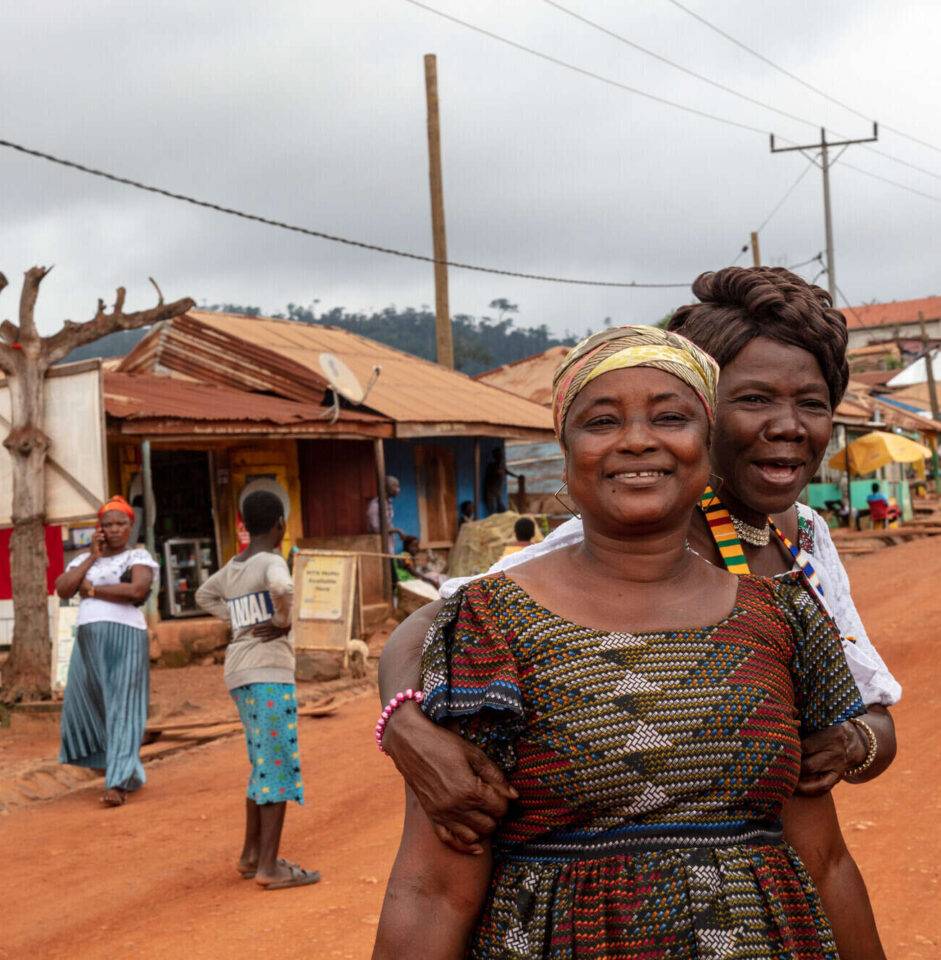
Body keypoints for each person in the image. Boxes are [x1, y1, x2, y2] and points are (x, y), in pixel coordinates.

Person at [378, 267, 898, 958]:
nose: (787, 426)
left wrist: (848, 742)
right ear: (564, 454)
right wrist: (406, 725)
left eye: (811, 402)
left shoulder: (791, 579)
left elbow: (831, 832)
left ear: (697, 430)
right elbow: (429, 630)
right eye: (754, 399)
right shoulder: (507, 610)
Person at [194, 489, 319, 890]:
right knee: (277, 764)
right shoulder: (271, 561)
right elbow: (283, 589)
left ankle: (251, 855)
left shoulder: (234, 566)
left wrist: (239, 619)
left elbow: (203, 595)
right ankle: (269, 866)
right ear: (281, 525)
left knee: (262, 763)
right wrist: (280, 621)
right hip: (268, 672)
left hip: (240, 673)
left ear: (244, 525)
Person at [54, 496, 160, 807]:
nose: (114, 529)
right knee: (88, 703)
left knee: (123, 706)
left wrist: (91, 590)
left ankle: (117, 783)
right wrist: (91, 557)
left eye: (120, 524)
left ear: (130, 527)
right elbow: (63, 588)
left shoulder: (138, 556)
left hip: (126, 635)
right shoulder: (83, 560)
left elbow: (136, 591)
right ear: (99, 528)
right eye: (108, 524)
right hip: (88, 640)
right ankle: (124, 768)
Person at [366, 475, 404, 553]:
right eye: (396, 487)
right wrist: (397, 530)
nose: (398, 490)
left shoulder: (388, 503)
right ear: (388, 487)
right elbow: (376, 528)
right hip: (379, 547)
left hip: (388, 545)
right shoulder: (376, 505)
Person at [482, 448, 515, 515]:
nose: (501, 457)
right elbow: (490, 477)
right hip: (491, 494)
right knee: (493, 513)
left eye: (501, 455)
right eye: (499, 455)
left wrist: (517, 477)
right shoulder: (491, 466)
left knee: (504, 512)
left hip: (498, 494)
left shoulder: (501, 466)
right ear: (495, 456)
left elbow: (507, 472)